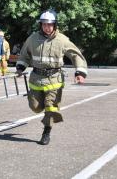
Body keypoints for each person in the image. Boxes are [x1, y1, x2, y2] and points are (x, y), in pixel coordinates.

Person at [16, 10, 87, 145]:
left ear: (54, 25)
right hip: (36, 78)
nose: (46, 27)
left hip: (54, 79)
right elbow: (25, 54)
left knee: (51, 107)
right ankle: (43, 111)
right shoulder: (33, 38)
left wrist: (80, 72)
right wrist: (20, 67)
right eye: (44, 24)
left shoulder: (62, 40)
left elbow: (76, 55)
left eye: (49, 24)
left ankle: (46, 132)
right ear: (40, 25)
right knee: (35, 107)